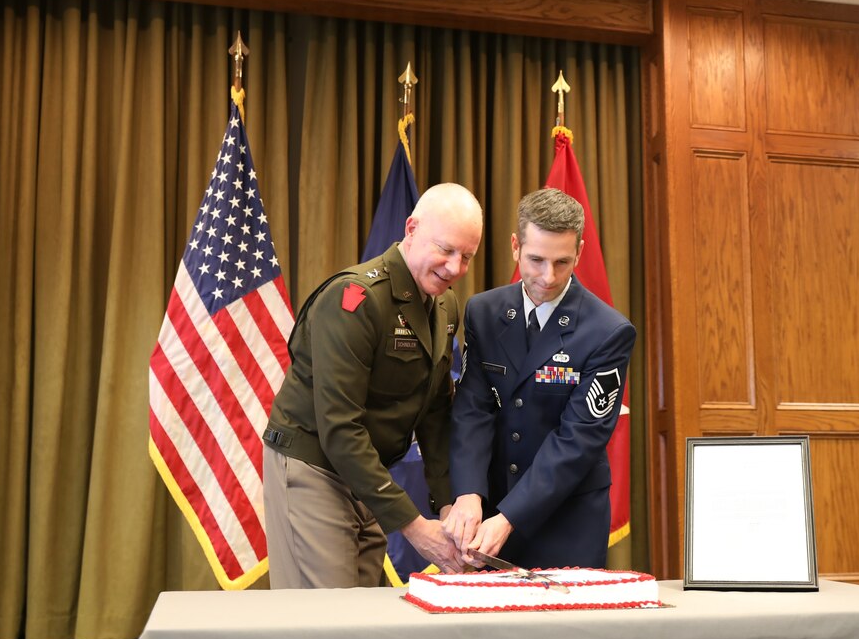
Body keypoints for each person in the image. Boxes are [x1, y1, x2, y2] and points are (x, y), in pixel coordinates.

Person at [262, 182, 483, 588]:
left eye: (466, 256)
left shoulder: (445, 304)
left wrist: (447, 503)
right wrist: (416, 528)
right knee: (325, 620)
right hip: (315, 464)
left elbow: (435, 412)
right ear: (412, 228)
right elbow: (340, 427)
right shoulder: (356, 299)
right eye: (446, 250)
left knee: (363, 614)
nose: (455, 268)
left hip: (367, 471)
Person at [442, 187, 635, 570]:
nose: (548, 277)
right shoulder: (484, 311)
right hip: (490, 508)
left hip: (568, 519)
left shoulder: (608, 331)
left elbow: (577, 441)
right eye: (536, 260)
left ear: (579, 253)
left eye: (562, 262)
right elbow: (473, 409)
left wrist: (510, 517)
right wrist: (468, 493)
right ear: (515, 246)